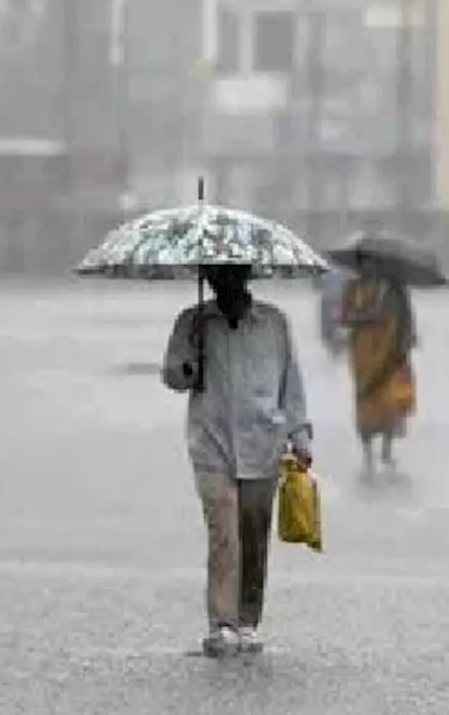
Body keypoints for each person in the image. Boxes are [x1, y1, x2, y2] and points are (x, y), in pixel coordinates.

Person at [161, 264, 313, 658]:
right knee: (223, 534)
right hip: (211, 445)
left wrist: (300, 434)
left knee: (253, 536)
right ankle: (222, 622)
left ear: (245, 277)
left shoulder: (274, 323)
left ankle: (248, 620)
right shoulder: (193, 322)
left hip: (263, 444)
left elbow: (290, 380)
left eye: (230, 277)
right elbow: (174, 378)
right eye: (215, 278)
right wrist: (188, 359)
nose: (223, 284)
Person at [339, 258, 417, 480]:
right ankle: (367, 453)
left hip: (387, 351)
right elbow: (344, 317)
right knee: (365, 401)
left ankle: (387, 449)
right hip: (362, 354)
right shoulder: (352, 288)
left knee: (388, 400)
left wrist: (405, 341)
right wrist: (365, 318)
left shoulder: (393, 290)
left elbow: (402, 320)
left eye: (373, 265)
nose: (369, 269)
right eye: (364, 265)